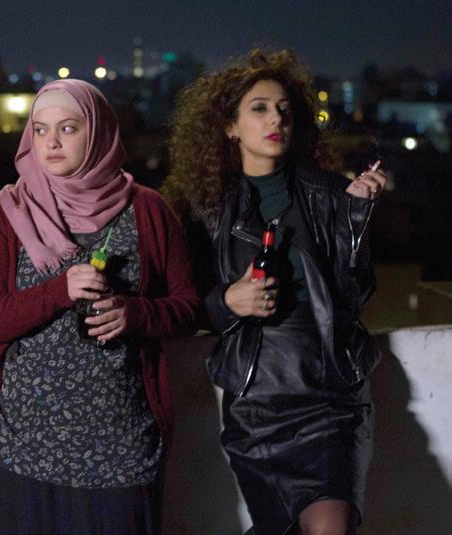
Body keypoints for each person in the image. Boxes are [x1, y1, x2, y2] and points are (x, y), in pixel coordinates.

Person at [0, 79, 199, 534]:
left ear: (99, 132)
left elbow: (187, 308)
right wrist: (56, 291)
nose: (51, 142)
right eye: (40, 129)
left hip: (121, 445)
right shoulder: (4, 213)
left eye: (68, 128)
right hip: (20, 447)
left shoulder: (148, 210)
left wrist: (136, 313)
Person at [162, 49, 387, 535]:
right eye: (259, 108)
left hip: (330, 390)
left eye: (284, 109)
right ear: (230, 126)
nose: (275, 120)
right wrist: (228, 302)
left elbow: (356, 294)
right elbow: (183, 304)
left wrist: (355, 223)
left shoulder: (331, 193)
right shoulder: (205, 210)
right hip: (257, 397)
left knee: (331, 524)